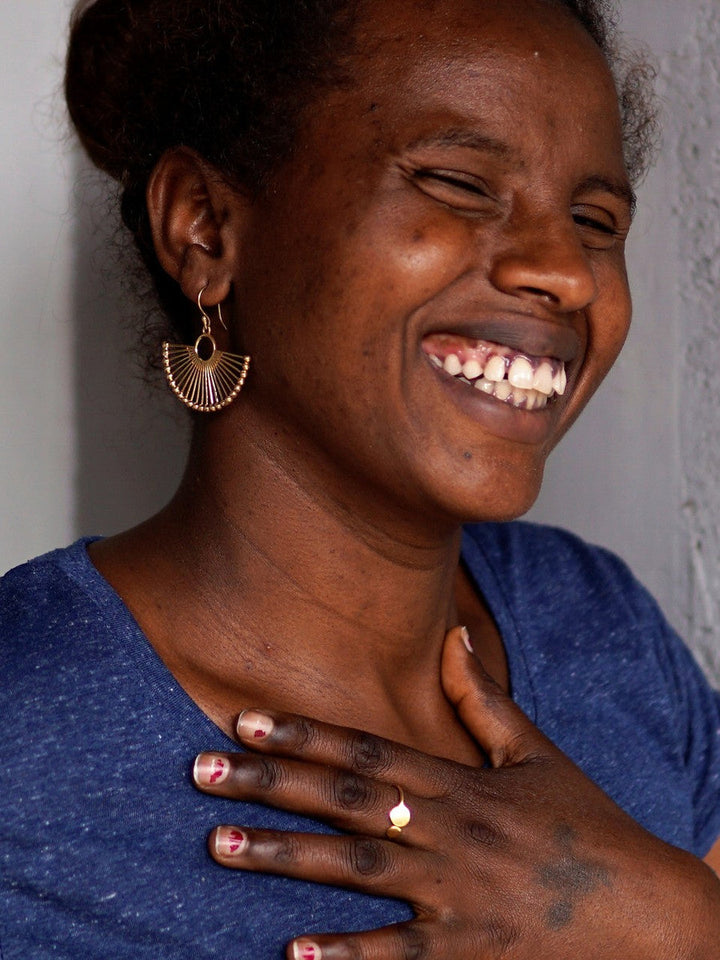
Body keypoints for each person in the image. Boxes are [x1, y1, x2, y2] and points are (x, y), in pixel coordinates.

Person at [1, 0, 719, 957]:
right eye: (460, 183)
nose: (567, 273)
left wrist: (675, 922)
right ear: (205, 228)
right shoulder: (23, 747)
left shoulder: (595, 622)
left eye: (595, 221)